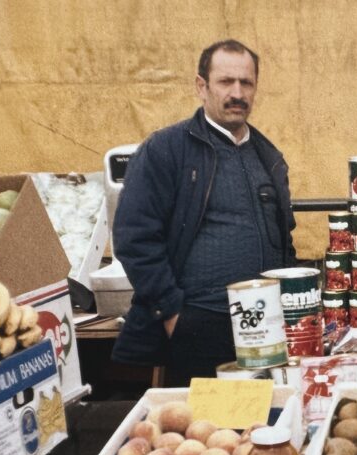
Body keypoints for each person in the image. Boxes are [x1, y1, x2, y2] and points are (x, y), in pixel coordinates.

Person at [112, 39, 297, 385]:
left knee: (266, 425)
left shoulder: (268, 156)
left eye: (246, 83)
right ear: (202, 86)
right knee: (207, 432)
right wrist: (172, 314)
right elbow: (134, 239)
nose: (237, 93)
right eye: (226, 82)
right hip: (198, 326)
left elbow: (283, 237)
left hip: (265, 328)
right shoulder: (166, 149)